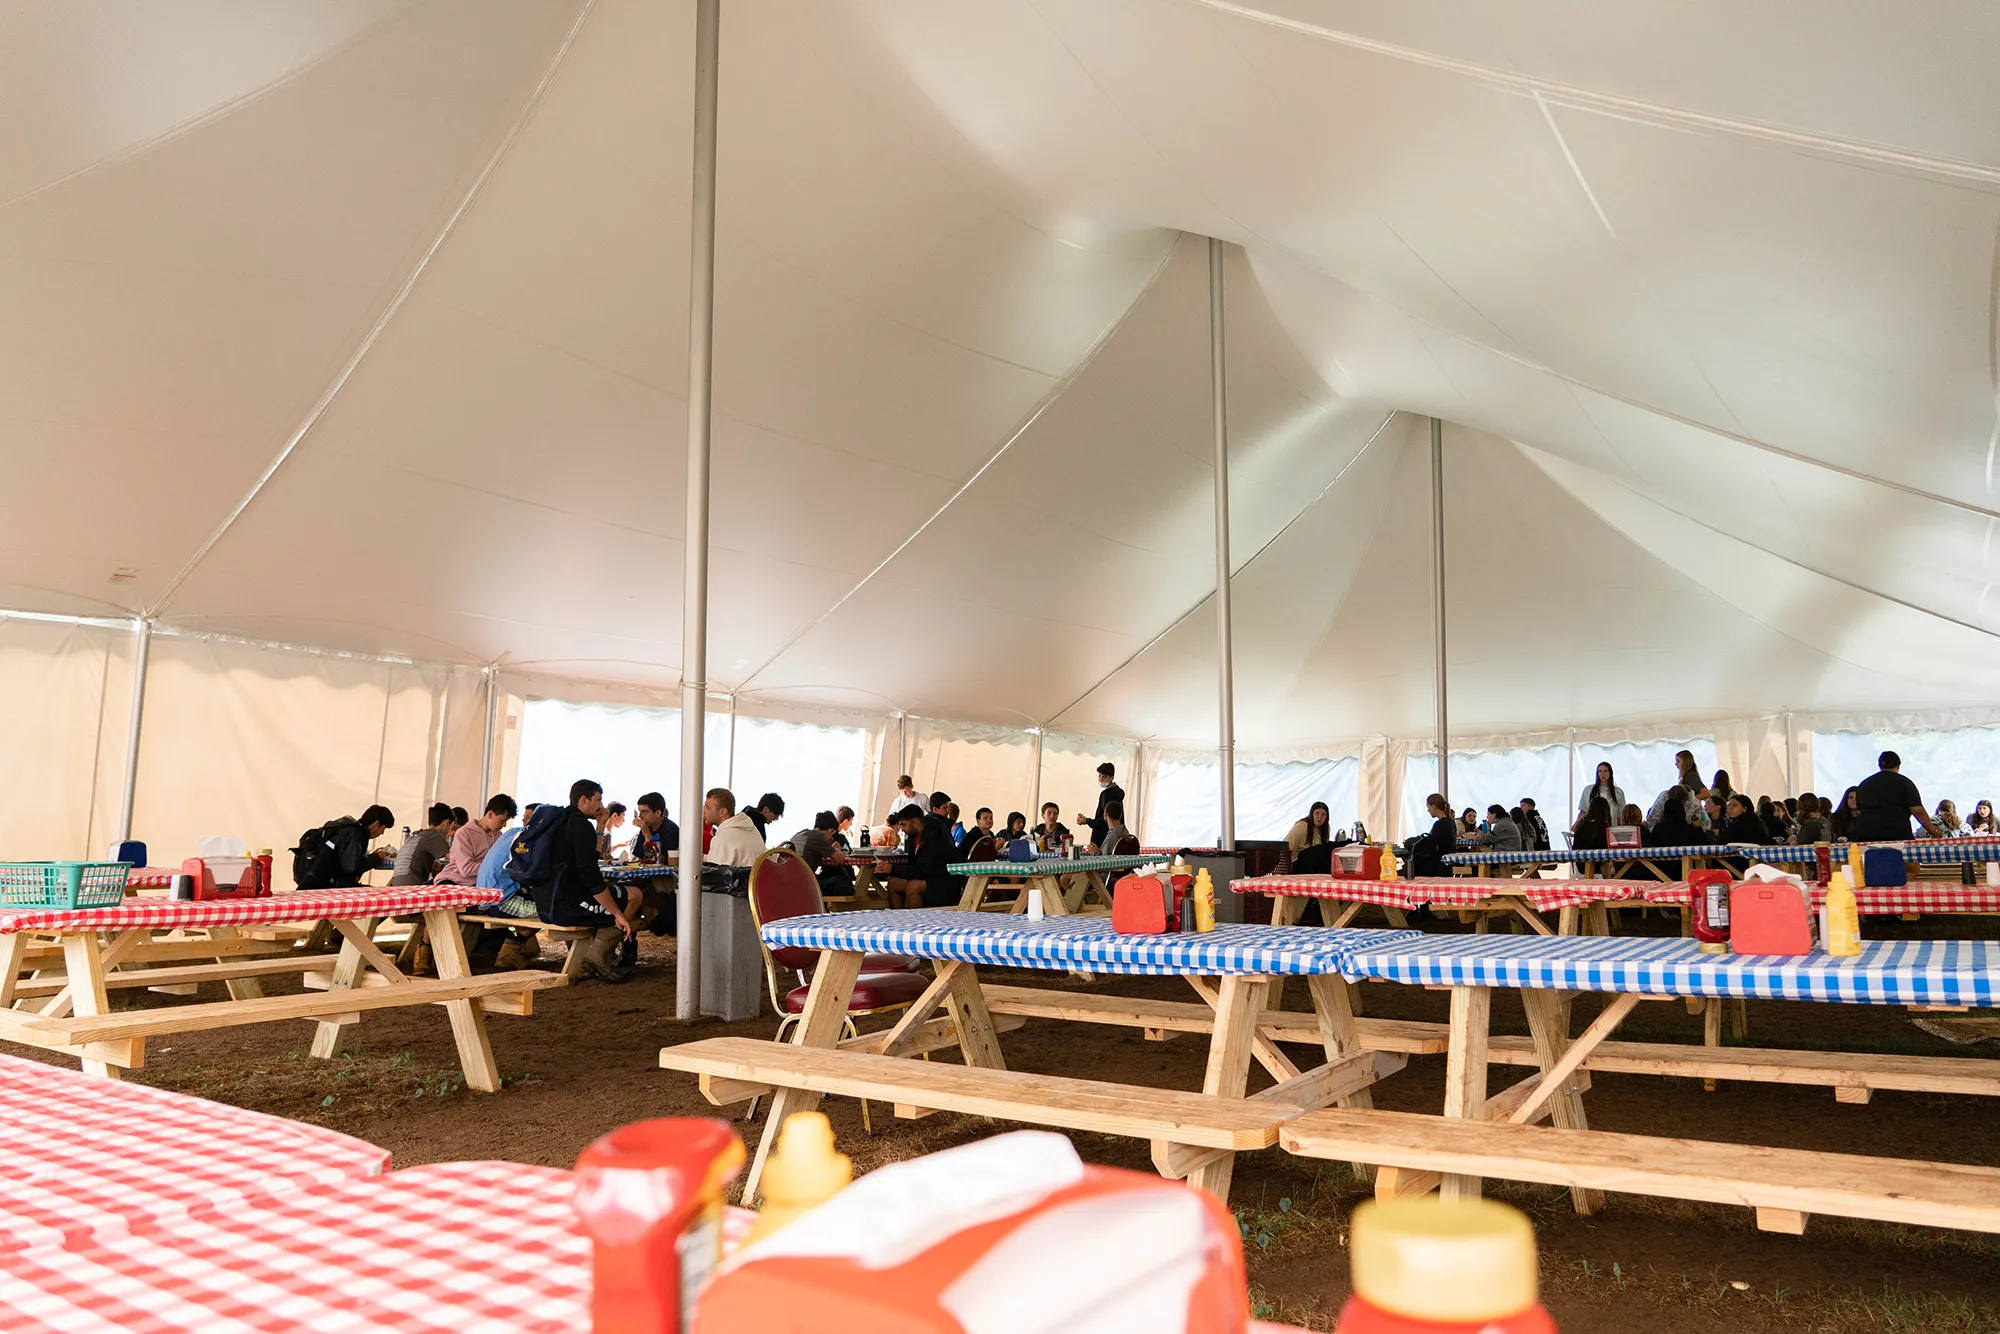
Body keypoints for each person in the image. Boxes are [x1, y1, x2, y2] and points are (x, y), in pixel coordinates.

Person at [511, 779, 654, 983]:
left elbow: (591, 856)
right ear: (584, 800)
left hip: (545, 902)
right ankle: (597, 956)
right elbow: (591, 877)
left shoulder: (559, 822)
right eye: (598, 800)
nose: (602, 806)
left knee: (609, 896)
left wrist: (601, 825)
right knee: (634, 895)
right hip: (568, 906)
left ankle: (593, 956)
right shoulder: (579, 826)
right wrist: (616, 914)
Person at [886, 794, 963, 909]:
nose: (902, 829)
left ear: (915, 823)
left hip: (946, 882)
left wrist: (892, 869)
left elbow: (923, 870)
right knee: (893, 883)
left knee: (913, 886)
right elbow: (915, 865)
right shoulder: (912, 836)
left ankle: (915, 924)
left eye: (904, 825)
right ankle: (900, 922)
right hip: (930, 878)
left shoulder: (933, 835)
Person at [294, 804, 396, 889]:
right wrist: (377, 857)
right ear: (376, 824)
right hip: (327, 887)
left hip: (314, 883)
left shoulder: (346, 828)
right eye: (384, 828)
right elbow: (352, 866)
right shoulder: (353, 833)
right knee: (376, 897)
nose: (382, 833)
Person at [1850, 751, 1942, 841]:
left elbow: (1859, 812)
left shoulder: (1864, 784)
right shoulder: (1905, 783)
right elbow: (1918, 811)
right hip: (1897, 835)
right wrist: (1934, 831)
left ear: (1879, 766)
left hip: (1867, 835)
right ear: (1898, 766)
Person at [436, 794, 517, 885]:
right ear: (490, 814)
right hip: (454, 881)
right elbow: (466, 869)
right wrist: (495, 867)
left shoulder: (499, 837)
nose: (504, 825)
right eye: (502, 821)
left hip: (480, 883)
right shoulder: (464, 833)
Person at [390, 803, 458, 886]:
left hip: (397, 883)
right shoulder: (434, 835)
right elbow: (455, 860)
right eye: (450, 826)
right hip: (413, 885)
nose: (449, 831)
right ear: (446, 822)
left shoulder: (416, 834)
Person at [792, 811, 854, 899]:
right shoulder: (819, 837)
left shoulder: (800, 833)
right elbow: (840, 859)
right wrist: (836, 848)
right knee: (844, 883)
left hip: (791, 879)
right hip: (803, 884)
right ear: (830, 831)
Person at [703, 788, 767, 867]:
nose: (703, 811)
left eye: (707, 807)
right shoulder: (751, 829)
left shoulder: (723, 838)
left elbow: (712, 873)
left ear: (722, 812)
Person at [1077, 763, 1125, 850]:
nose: (1101, 779)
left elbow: (1103, 820)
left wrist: (1087, 821)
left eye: (1104, 776)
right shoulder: (1118, 793)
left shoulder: (1106, 794)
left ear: (1111, 777)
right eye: (1099, 775)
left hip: (1103, 837)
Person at [1410, 793, 1458, 877]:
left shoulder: (1440, 824)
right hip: (1445, 864)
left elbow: (1431, 845)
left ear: (1434, 806)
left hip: (1438, 865)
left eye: (1428, 807)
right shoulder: (1451, 822)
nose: (1428, 810)